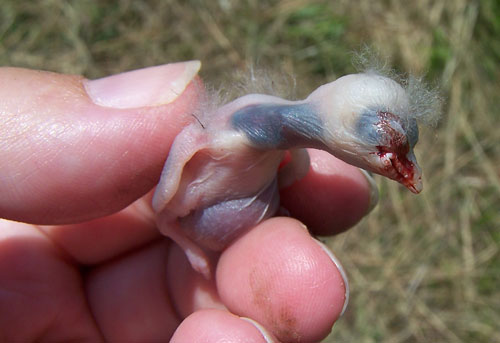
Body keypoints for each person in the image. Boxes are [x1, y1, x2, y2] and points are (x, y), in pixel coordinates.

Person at [0, 62, 377, 342]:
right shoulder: (234, 129)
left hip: (235, 214)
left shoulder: (278, 131)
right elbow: (183, 165)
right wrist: (172, 218)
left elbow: (294, 157)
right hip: (199, 218)